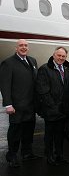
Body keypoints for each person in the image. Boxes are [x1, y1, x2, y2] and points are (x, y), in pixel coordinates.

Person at [0, 39, 40, 167]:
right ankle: (11, 156)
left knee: (28, 131)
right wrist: (8, 104)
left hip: (30, 105)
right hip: (16, 106)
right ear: (16, 48)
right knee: (15, 133)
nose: (23, 47)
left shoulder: (32, 61)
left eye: (26, 46)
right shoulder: (8, 63)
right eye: (21, 45)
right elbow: (4, 85)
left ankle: (27, 153)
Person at [36, 46, 69, 166]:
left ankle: (59, 155)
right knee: (50, 135)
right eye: (59, 55)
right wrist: (54, 107)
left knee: (60, 134)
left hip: (63, 110)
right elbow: (43, 91)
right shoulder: (44, 69)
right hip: (51, 110)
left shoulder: (67, 69)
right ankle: (49, 156)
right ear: (53, 55)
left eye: (63, 56)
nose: (61, 58)